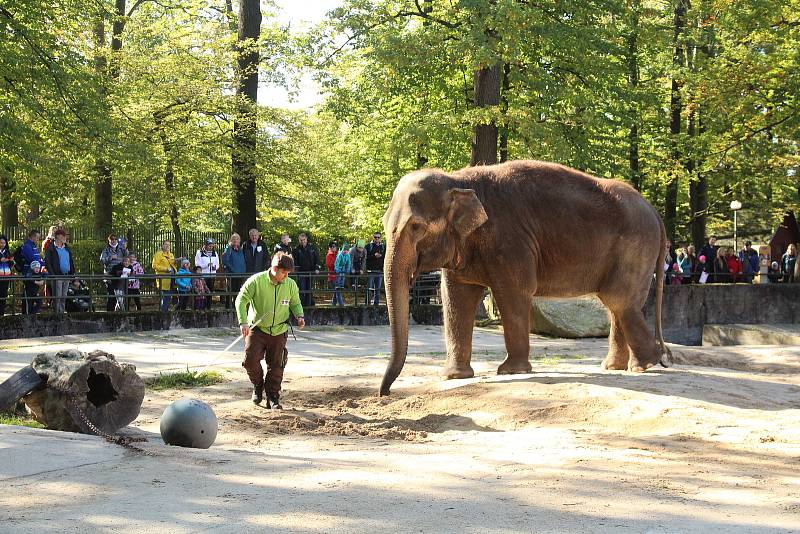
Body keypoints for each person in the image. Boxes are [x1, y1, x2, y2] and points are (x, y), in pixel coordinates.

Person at [236, 253, 305, 408]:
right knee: (250, 361)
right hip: (257, 329)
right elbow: (241, 300)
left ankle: (273, 397)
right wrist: (243, 322)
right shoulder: (256, 281)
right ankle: (258, 385)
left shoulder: (290, 284)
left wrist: (299, 315)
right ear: (275, 269)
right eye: (284, 273)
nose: (286, 276)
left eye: (288, 273)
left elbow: (295, 302)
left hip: (279, 330)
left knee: (277, 364)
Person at [44, 229, 75, 314]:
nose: (65, 238)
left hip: (66, 275)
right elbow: (47, 262)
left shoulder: (66, 248)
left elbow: (71, 261)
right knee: (57, 297)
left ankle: (61, 313)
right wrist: (53, 275)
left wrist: (72, 274)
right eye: (63, 236)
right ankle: (56, 314)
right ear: (58, 236)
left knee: (64, 297)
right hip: (57, 276)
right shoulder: (51, 248)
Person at [100, 234, 128, 312]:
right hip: (110, 276)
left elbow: (127, 257)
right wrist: (110, 257)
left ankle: (120, 312)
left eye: (115, 239)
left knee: (121, 295)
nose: (114, 241)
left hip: (120, 275)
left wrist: (125, 248)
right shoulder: (106, 250)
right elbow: (102, 260)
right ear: (109, 240)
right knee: (111, 295)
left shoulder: (121, 249)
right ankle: (110, 314)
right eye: (112, 239)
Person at [293, 232, 319, 307]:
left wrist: (317, 268)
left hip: (311, 271)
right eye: (301, 240)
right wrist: (296, 270)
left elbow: (317, 258)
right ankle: (302, 305)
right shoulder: (296, 249)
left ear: (306, 239)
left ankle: (309, 304)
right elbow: (295, 261)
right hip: (301, 272)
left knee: (309, 288)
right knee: (302, 288)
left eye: (304, 240)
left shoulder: (312, 247)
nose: (302, 241)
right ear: (299, 240)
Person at [222, 233, 246, 309]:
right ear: (231, 240)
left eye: (237, 239)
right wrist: (231, 269)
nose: (236, 241)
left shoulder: (240, 250)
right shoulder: (228, 249)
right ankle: (228, 308)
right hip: (232, 274)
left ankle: (236, 307)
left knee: (238, 292)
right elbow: (225, 260)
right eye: (234, 239)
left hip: (240, 274)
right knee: (230, 291)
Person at [152, 240, 177, 312]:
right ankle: (164, 311)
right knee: (166, 295)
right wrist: (166, 269)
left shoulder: (171, 255)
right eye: (166, 244)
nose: (167, 246)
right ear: (162, 246)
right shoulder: (158, 254)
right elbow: (154, 266)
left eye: (169, 245)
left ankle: (166, 310)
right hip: (163, 279)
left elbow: (173, 265)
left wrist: (176, 262)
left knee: (170, 296)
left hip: (172, 278)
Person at [195, 238, 219, 309]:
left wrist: (215, 267)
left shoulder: (215, 253)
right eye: (209, 246)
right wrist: (206, 265)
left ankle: (209, 307)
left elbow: (217, 264)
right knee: (203, 291)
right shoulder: (199, 253)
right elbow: (197, 264)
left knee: (210, 291)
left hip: (212, 275)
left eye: (212, 246)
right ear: (205, 245)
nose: (211, 247)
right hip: (203, 275)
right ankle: (202, 307)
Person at [365, 231, 385, 305]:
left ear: (381, 238)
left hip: (379, 271)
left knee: (378, 289)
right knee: (369, 288)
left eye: (378, 237)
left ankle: (376, 304)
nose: (376, 239)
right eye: (375, 237)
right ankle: (367, 303)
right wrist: (374, 255)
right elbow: (365, 257)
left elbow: (385, 258)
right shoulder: (368, 246)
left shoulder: (383, 247)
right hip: (370, 271)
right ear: (373, 238)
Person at [0, 235, 13, 315]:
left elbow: (10, 264)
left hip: (6, 276)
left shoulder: (7, 252)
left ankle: (2, 313)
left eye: (4, 243)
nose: (2, 244)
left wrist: (10, 261)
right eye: (1, 242)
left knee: (4, 295)